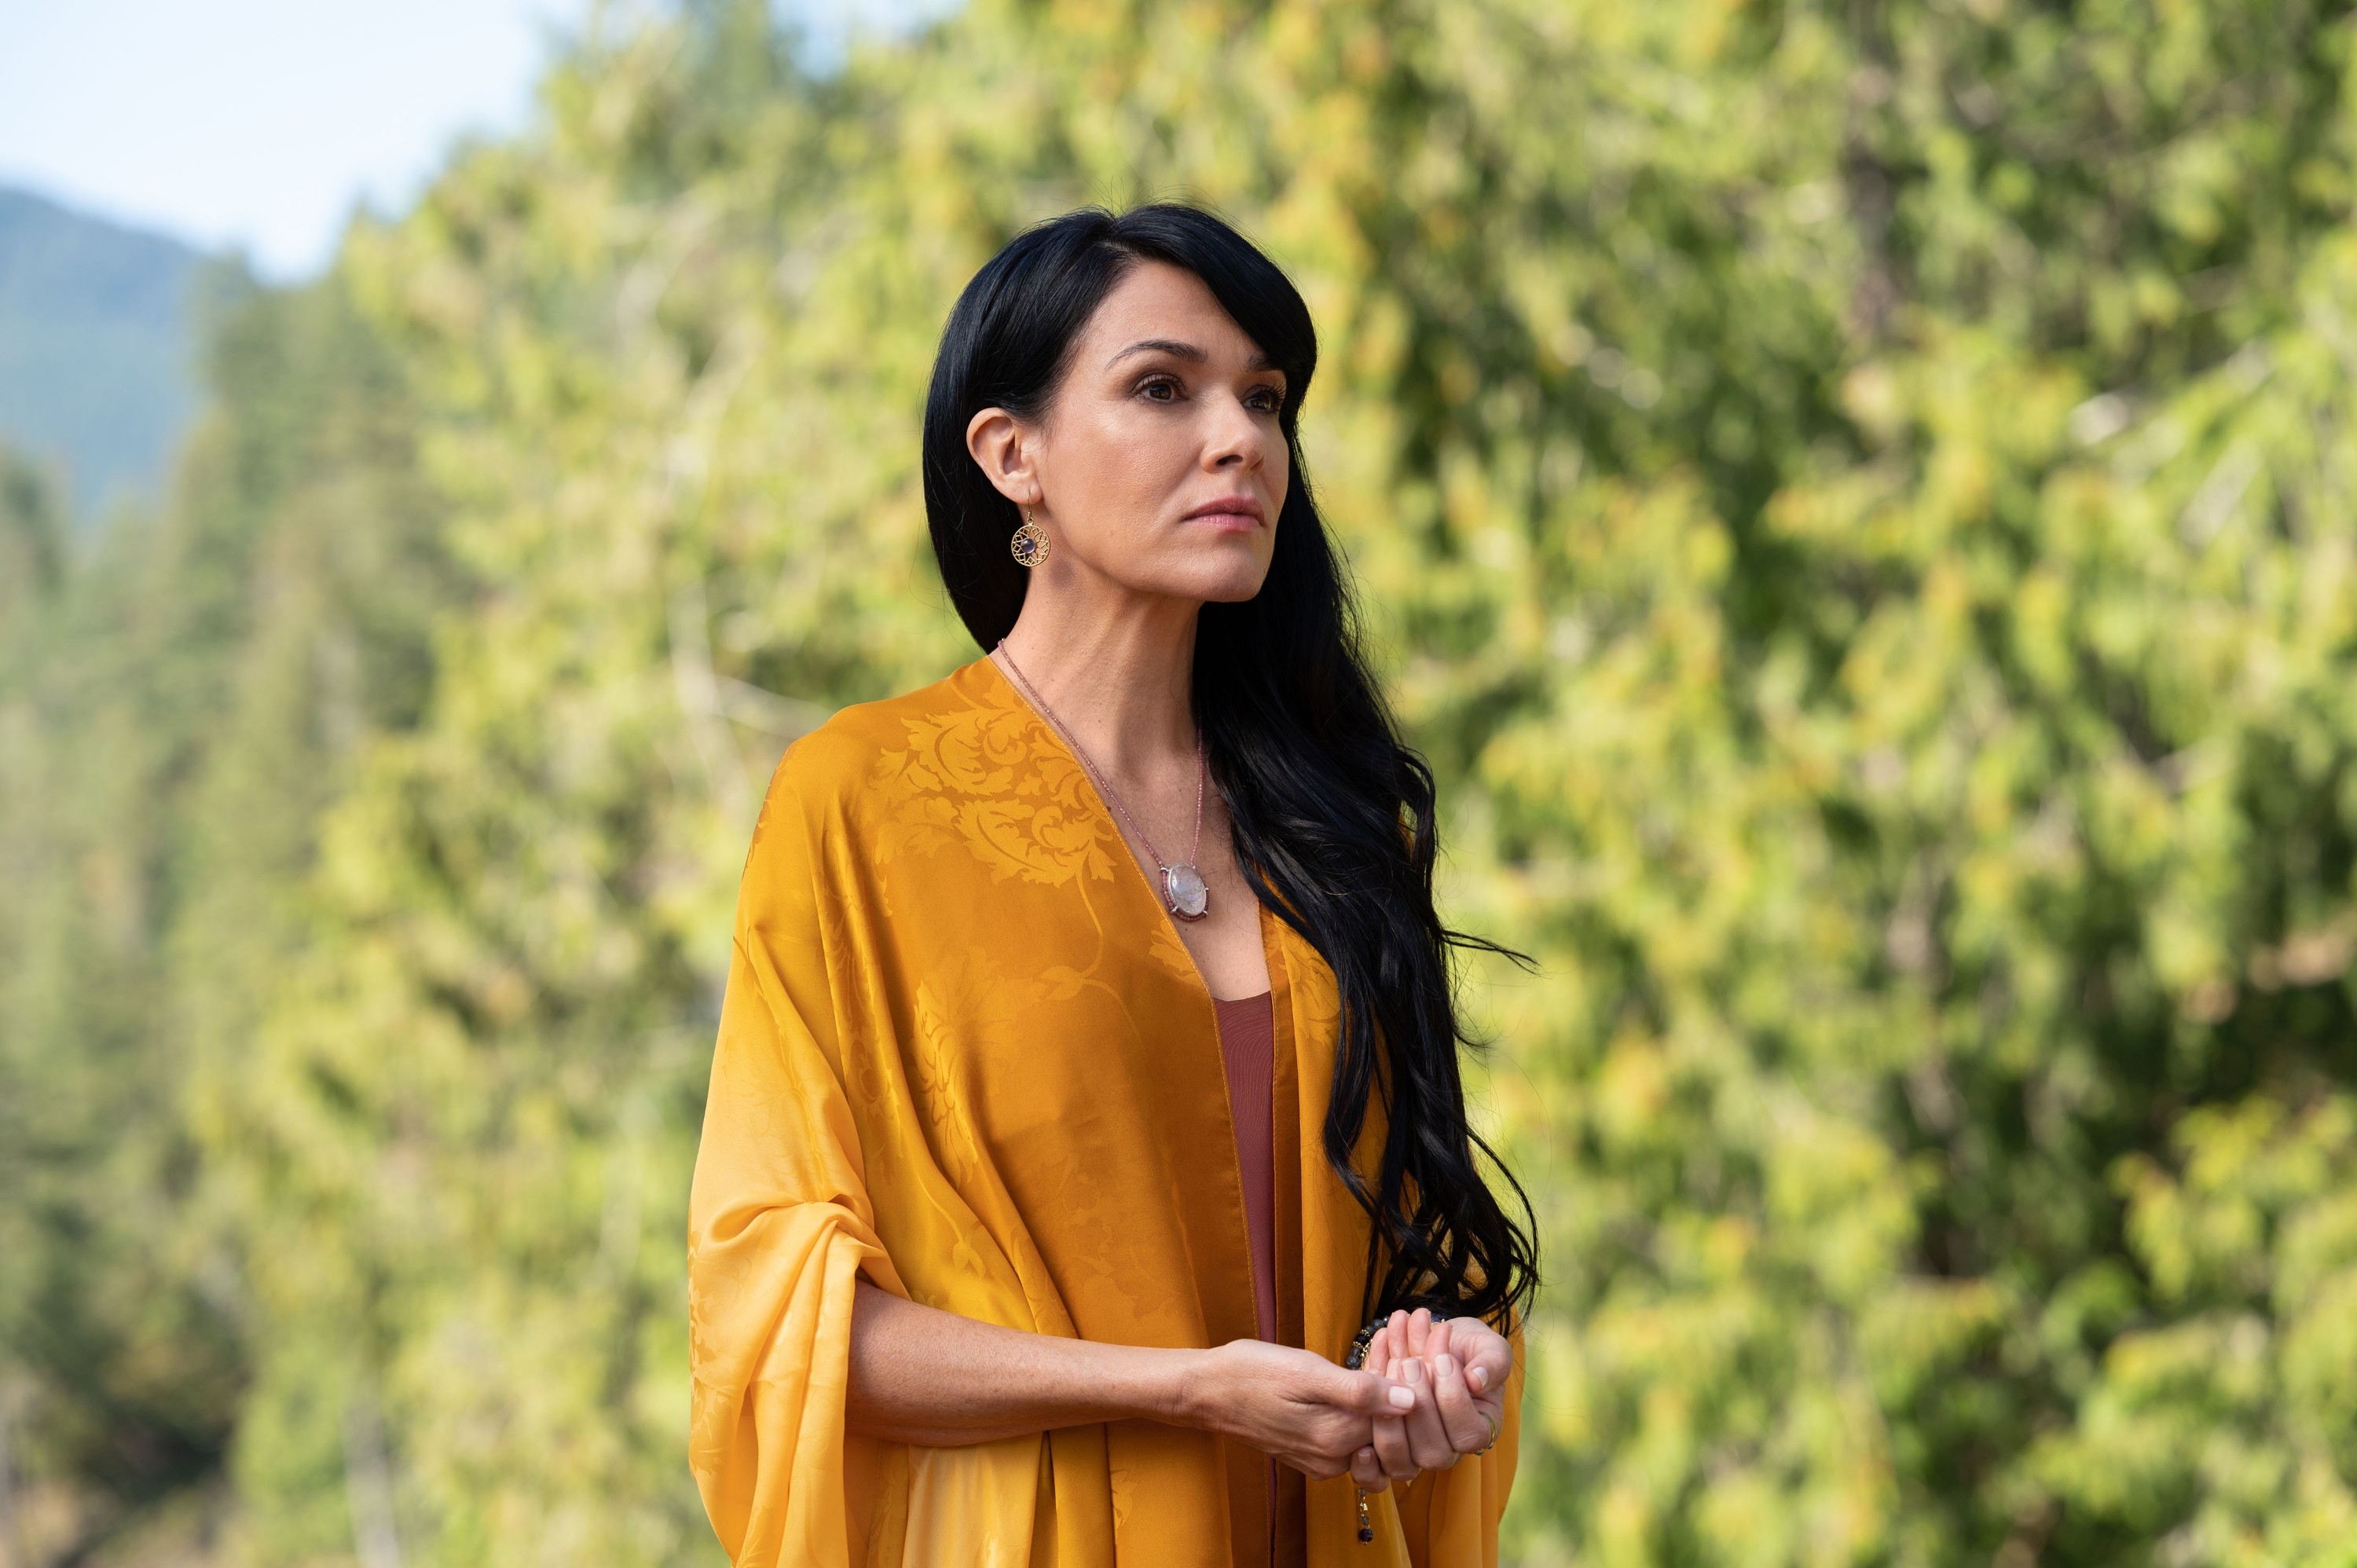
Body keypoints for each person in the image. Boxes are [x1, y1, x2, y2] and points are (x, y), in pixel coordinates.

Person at [687, 203, 1538, 1566]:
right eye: (1162, 388)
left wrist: (1426, 1367)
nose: (1241, 440)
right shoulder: (862, 803)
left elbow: (1408, 1260)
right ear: (1009, 453)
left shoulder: (1331, 824)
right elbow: (783, 1326)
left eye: (1265, 401)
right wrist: (1188, 1390)